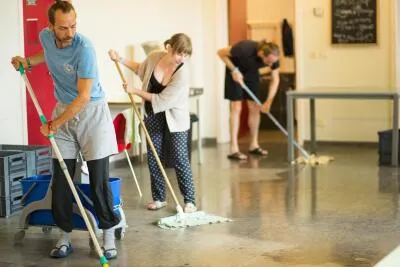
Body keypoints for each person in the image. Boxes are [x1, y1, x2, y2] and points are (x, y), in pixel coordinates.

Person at [11, 1, 119, 260]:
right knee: (62, 179)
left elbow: (82, 98)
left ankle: (108, 235)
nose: (69, 33)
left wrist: (54, 124)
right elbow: (47, 55)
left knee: (98, 179)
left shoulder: (85, 49)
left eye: (73, 26)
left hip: (91, 112)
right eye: (63, 28)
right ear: (51, 26)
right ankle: (64, 236)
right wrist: (26, 62)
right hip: (63, 111)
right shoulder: (46, 37)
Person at [108, 33, 197, 213]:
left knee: (180, 158)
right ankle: (159, 198)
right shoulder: (155, 57)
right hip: (153, 114)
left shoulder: (183, 73)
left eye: (186, 55)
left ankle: (190, 200)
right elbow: (140, 68)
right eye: (179, 53)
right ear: (169, 48)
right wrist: (120, 59)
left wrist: (135, 91)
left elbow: (162, 100)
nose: (182, 58)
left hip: (175, 117)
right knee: (154, 156)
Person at [217, 40, 280, 160]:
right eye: (269, 62)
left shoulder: (274, 58)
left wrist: (269, 101)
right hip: (234, 72)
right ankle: (233, 149)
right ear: (261, 53)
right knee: (237, 107)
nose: (271, 65)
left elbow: (275, 80)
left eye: (273, 62)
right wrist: (234, 70)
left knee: (255, 107)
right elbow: (220, 53)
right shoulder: (243, 48)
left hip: (251, 74)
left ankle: (254, 145)